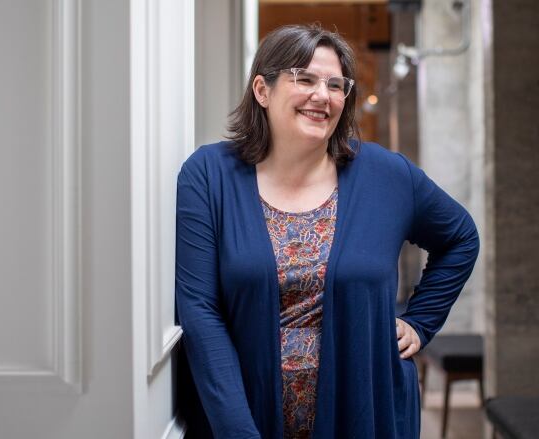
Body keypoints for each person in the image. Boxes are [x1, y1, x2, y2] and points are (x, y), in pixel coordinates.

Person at [175, 24, 479, 439]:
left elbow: (461, 238)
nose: (323, 95)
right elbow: (199, 310)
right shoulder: (208, 175)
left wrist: (421, 322)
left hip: (367, 408)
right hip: (246, 413)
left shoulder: (386, 175)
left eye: (336, 84)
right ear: (263, 91)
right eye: (305, 78)